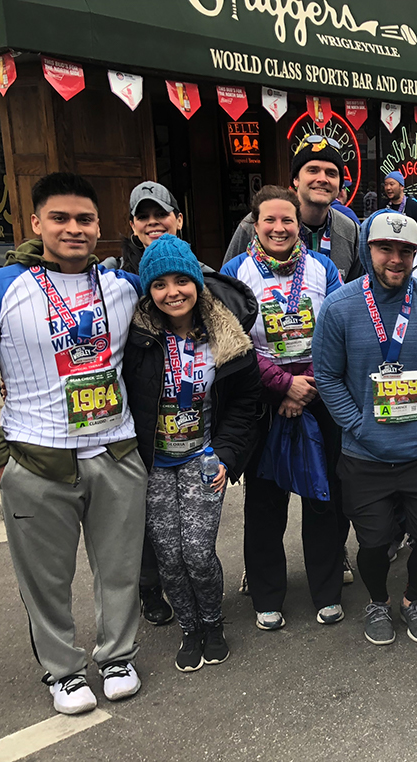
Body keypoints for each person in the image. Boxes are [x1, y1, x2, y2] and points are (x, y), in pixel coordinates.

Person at [0, 173, 145, 714]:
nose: (73, 229)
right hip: (35, 459)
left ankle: (117, 657)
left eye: (85, 219)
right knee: (45, 579)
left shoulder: (124, 287)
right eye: (60, 218)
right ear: (36, 223)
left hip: (115, 452)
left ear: (100, 226)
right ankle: (64, 671)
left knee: (119, 568)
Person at [312, 210, 417, 646]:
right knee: (374, 544)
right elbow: (327, 376)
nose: (395, 258)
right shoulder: (340, 306)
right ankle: (378, 600)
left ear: (416, 254)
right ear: (366, 249)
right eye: (385, 248)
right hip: (365, 454)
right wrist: (356, 424)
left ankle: (414, 598)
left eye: (405, 250)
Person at [124, 234, 261, 671]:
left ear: (197, 283)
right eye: (159, 284)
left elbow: (246, 403)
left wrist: (226, 455)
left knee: (198, 554)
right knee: (169, 558)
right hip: (154, 465)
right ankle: (190, 627)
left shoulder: (226, 336)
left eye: (181, 280)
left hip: (203, 459)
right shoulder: (136, 338)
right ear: (148, 290)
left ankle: (213, 623)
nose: (172, 292)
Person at [221, 186, 346, 631]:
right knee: (264, 501)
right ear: (254, 224)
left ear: (298, 224)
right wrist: (282, 386)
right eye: (269, 220)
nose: (279, 228)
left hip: (318, 395)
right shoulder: (235, 272)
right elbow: (230, 339)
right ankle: (267, 594)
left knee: (324, 498)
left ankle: (327, 591)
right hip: (262, 400)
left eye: (287, 220)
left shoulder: (323, 268)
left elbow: (337, 330)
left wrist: (305, 385)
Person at [101, 181, 192, 627]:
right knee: (139, 512)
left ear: (178, 219)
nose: (153, 222)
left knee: (181, 515)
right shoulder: (112, 279)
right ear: (132, 225)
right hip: (133, 411)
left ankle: (188, 583)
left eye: (161, 214)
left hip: (184, 410)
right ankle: (149, 587)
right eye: (144, 216)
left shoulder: (196, 272)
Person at [224, 135, 360, 282]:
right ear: (296, 179)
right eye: (313, 170)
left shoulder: (350, 231)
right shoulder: (256, 223)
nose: (322, 179)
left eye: (331, 173)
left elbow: (359, 291)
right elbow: (225, 286)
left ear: (340, 184)